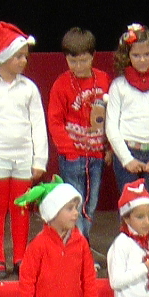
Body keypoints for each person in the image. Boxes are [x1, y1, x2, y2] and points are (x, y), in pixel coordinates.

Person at [0, 21, 47, 279]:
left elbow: (38, 124)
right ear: (3, 57)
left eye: (25, 56)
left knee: (21, 207)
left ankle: (20, 256)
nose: (24, 61)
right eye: (18, 56)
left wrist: (39, 159)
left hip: (23, 157)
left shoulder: (29, 88)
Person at [105, 24, 149, 215]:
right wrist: (127, 159)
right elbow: (111, 126)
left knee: (148, 207)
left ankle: (148, 237)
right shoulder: (119, 85)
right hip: (127, 153)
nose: (142, 59)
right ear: (126, 56)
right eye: (136, 55)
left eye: (147, 54)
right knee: (129, 209)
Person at [46, 27, 111, 238]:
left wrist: (108, 148)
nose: (78, 66)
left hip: (96, 155)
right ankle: (77, 245)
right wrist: (69, 151)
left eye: (83, 60)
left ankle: (82, 242)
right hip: (72, 156)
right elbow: (55, 121)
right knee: (74, 203)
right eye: (72, 61)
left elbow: (111, 117)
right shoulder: (61, 84)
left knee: (90, 204)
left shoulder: (103, 79)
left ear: (93, 56)